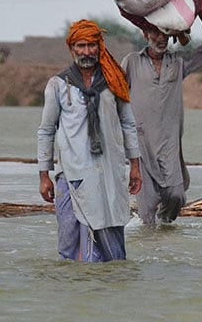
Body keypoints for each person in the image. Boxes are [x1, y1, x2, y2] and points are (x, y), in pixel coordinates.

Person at [37, 20, 142, 262]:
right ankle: (77, 291)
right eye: (81, 46)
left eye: (91, 46)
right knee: (69, 242)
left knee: (111, 238)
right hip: (71, 174)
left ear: (100, 47)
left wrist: (135, 166)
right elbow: (46, 131)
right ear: (72, 49)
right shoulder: (58, 85)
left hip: (109, 172)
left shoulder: (115, 82)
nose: (86, 52)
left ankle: (110, 286)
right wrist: (44, 175)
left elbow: (128, 124)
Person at [120, 0, 202, 224]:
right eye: (156, 33)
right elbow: (114, 94)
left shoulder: (177, 63)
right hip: (141, 148)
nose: (161, 38)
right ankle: (152, 253)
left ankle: (166, 233)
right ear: (145, 34)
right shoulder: (132, 62)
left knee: (176, 197)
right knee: (147, 217)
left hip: (170, 147)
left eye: (165, 34)